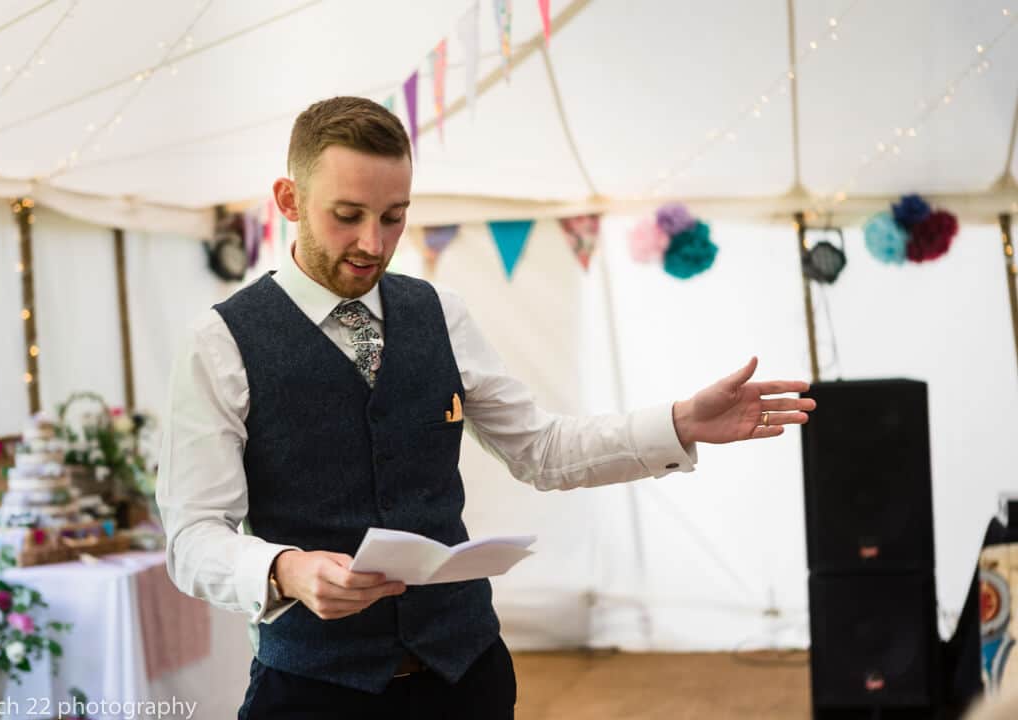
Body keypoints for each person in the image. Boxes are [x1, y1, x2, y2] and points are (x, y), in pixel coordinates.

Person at [157, 96, 816, 720]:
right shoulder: (219, 343)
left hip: (466, 677)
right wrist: (283, 570)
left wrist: (677, 423)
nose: (372, 244)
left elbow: (543, 449)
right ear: (288, 199)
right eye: (348, 214)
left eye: (393, 216)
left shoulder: (440, 313)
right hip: (311, 691)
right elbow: (191, 538)